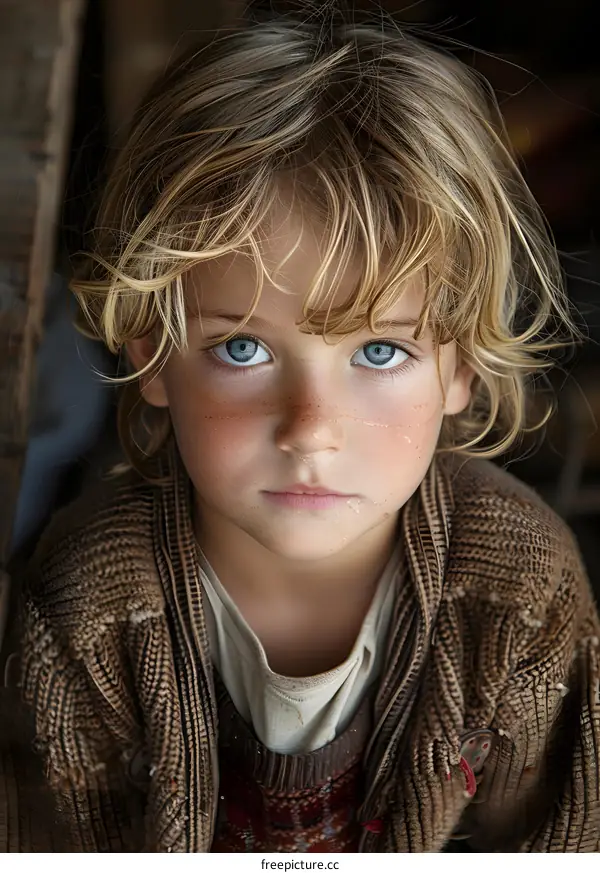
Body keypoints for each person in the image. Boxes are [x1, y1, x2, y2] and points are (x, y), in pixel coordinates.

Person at [18, 4, 600, 853]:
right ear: (151, 348)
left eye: (379, 351)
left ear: (462, 364)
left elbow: (561, 842)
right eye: (244, 346)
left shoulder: (518, 589)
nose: (311, 428)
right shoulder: (90, 602)